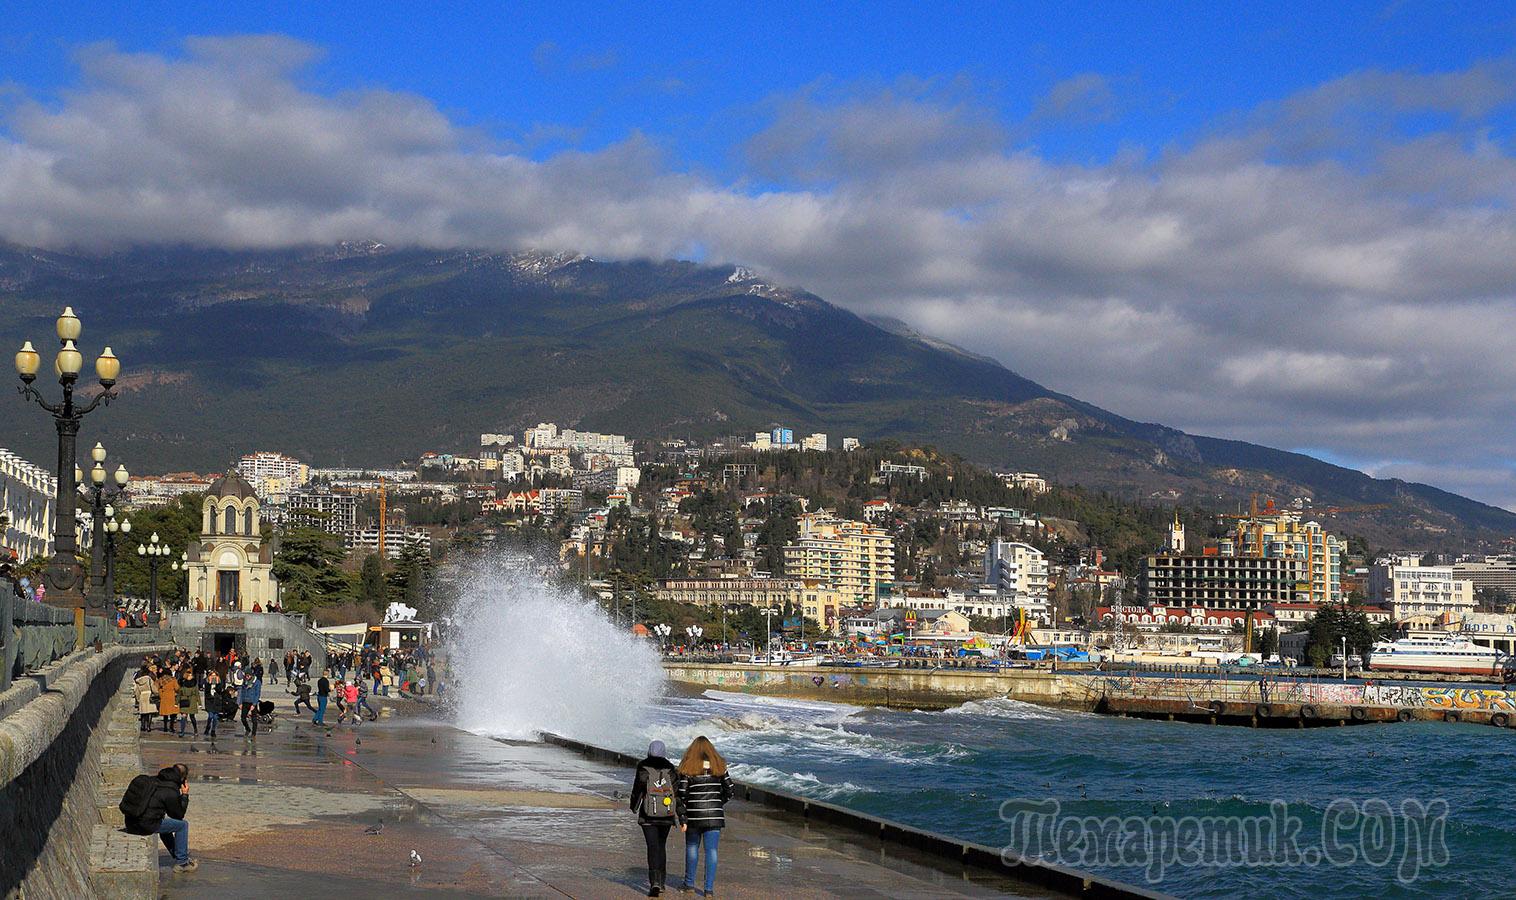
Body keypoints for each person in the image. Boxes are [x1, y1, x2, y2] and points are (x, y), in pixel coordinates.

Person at [675, 736, 734, 898]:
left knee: (692, 848)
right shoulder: (719, 767)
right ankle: (708, 889)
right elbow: (730, 791)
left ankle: (689, 884)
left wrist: (689, 807)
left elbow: (681, 793)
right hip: (715, 816)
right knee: (712, 851)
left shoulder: (688, 768)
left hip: (694, 816)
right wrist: (717, 803)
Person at [123, 763, 197, 874]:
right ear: (182, 778)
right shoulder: (171, 790)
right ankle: (182, 863)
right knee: (182, 825)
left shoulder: (154, 780)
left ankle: (177, 854)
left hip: (131, 822)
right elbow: (178, 815)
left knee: (164, 823)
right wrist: (185, 795)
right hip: (144, 826)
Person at [630, 740, 680, 896]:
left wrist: (634, 806)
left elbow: (637, 788)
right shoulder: (670, 768)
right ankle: (662, 882)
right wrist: (680, 813)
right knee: (661, 846)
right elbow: (675, 793)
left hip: (648, 815)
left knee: (652, 847)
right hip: (666, 814)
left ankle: (654, 882)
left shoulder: (643, 766)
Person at [238, 669, 263, 737]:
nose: (247, 677)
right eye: (246, 676)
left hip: (252, 702)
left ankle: (253, 733)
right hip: (245, 701)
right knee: (243, 718)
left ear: (251, 675)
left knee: (254, 719)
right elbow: (242, 692)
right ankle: (248, 729)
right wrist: (240, 702)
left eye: (248, 676)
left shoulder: (257, 682)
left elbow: (257, 694)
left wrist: (254, 704)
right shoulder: (244, 682)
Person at [157, 667, 181, 733]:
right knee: (172, 714)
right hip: (172, 697)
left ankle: (165, 727)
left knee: (165, 714)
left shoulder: (161, 680)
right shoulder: (173, 679)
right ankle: (171, 727)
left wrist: (161, 695)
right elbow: (177, 688)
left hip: (164, 697)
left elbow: (158, 689)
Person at [134, 667, 156, 732]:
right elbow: (153, 688)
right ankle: (148, 727)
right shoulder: (149, 679)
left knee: (143, 712)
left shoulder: (138, 681)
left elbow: (136, 691)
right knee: (150, 712)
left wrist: (138, 699)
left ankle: (143, 726)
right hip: (149, 695)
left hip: (142, 696)